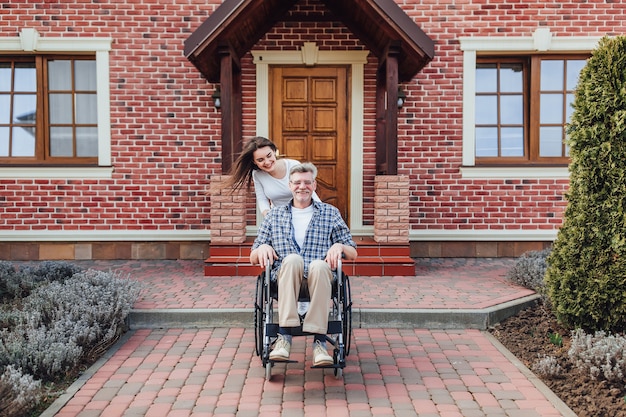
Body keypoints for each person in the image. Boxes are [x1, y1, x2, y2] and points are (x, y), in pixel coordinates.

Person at [250, 162, 357, 367]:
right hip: (285, 279)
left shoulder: (330, 213)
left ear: (314, 185)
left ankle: (320, 343)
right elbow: (253, 256)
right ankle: (284, 337)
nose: (302, 187)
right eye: (297, 183)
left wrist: (339, 246)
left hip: (320, 279)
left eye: (307, 182)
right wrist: (261, 249)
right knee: (292, 259)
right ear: (290, 186)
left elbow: (353, 252)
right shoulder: (274, 215)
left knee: (318, 265)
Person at [225, 136, 320, 216]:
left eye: (269, 155)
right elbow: (262, 200)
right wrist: (268, 216)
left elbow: (310, 191)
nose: (267, 162)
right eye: (260, 160)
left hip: (304, 213)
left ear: (274, 151)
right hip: (279, 217)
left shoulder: (293, 165)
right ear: (254, 162)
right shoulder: (258, 175)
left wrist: (322, 212)